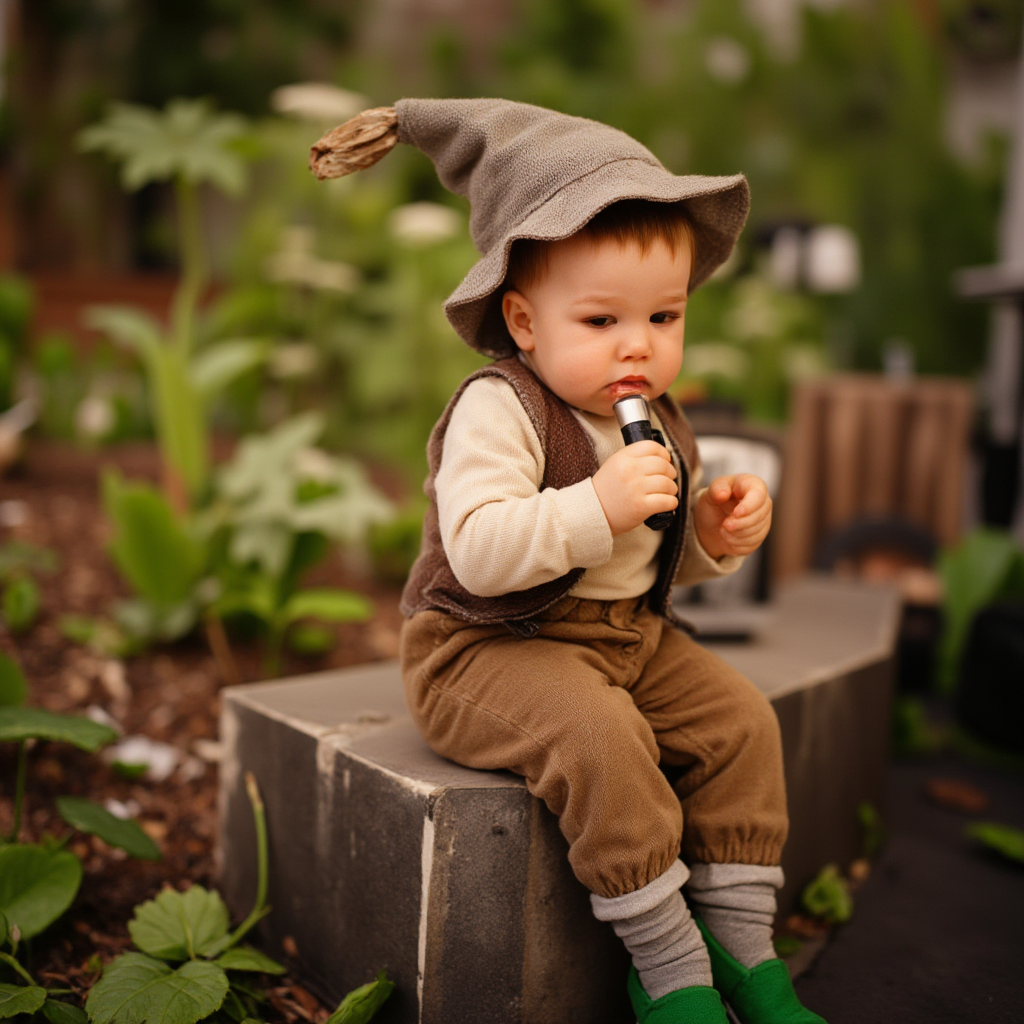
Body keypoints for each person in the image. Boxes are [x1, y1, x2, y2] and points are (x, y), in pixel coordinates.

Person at [312, 98, 826, 1024]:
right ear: (524, 320)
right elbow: (479, 551)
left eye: (664, 315)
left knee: (743, 722)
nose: (639, 345)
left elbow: (646, 563)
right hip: (487, 647)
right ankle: (669, 964)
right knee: (600, 738)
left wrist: (710, 535)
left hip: (622, 637)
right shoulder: (499, 411)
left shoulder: (657, 418)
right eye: (601, 320)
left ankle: (747, 950)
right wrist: (597, 502)